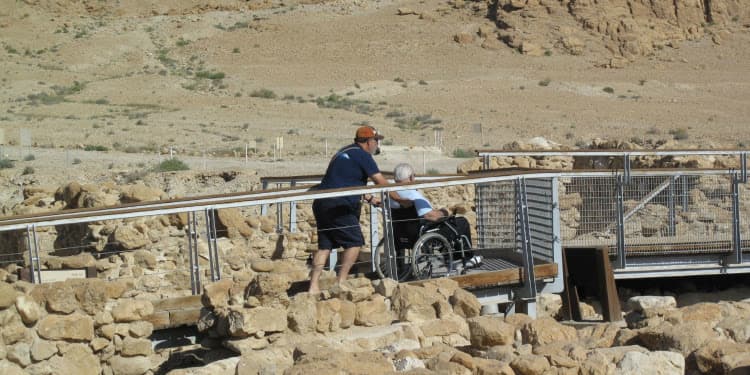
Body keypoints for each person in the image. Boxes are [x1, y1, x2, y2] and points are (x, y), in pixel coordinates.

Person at [309, 125, 405, 293]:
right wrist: (400, 199)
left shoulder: (342, 152)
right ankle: (340, 282)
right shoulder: (363, 155)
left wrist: (366, 197)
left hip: (322, 202)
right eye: (376, 140)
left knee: (325, 246)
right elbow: (380, 181)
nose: (377, 144)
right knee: (354, 243)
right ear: (368, 142)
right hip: (340, 204)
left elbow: (342, 179)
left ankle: (313, 286)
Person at [390, 162, 483, 267]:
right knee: (461, 222)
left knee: (450, 224)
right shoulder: (412, 194)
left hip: (401, 234)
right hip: (420, 233)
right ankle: (467, 258)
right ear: (411, 177)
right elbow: (431, 216)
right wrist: (445, 211)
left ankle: (451, 256)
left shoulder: (392, 196)